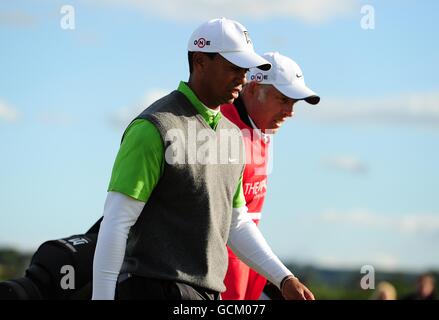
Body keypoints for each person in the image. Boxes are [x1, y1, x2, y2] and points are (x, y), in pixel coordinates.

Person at [92, 17, 314, 300]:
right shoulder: (154, 127)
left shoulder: (232, 135)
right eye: (234, 67)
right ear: (200, 61)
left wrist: (284, 278)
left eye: (246, 70)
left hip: (209, 294)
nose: (243, 78)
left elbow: (236, 222)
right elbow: (116, 223)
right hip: (152, 290)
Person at [220, 52, 320, 300]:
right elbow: (230, 223)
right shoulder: (221, 130)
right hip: (216, 274)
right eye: (284, 100)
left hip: (247, 267)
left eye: (294, 103)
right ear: (253, 89)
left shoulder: (259, 129)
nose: (290, 112)